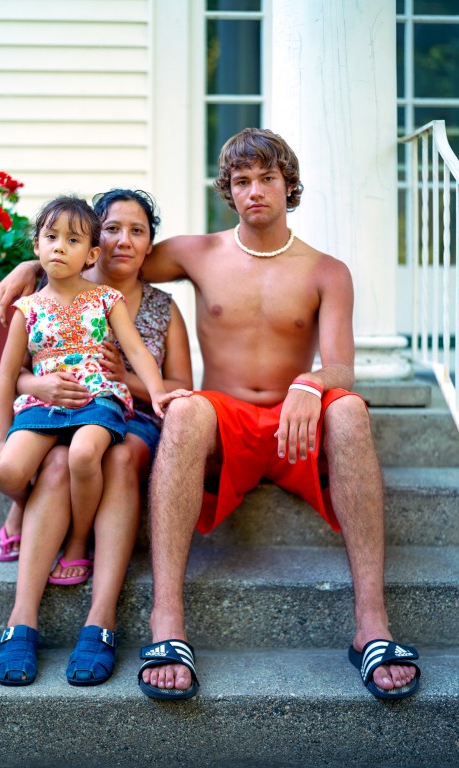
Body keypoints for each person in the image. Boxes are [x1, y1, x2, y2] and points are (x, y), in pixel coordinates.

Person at [132, 127, 420, 701]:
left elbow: (342, 367)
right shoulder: (198, 252)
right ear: (229, 191)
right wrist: (29, 272)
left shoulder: (325, 270)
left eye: (268, 178)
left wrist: (311, 384)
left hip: (296, 429)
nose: (255, 190)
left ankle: (372, 627)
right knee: (185, 413)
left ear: (289, 186)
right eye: (242, 181)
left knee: (352, 412)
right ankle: (166, 624)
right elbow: (112, 258)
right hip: (225, 421)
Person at [0, 189, 193, 686]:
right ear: (95, 240)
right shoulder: (45, 292)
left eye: (138, 231)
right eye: (113, 228)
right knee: (56, 465)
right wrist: (38, 384)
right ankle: (22, 620)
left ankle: (99, 620)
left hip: (127, 413)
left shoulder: (160, 308)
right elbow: (14, 374)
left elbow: (181, 388)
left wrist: (127, 381)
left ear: (149, 246)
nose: (124, 239)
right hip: (53, 408)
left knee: (116, 459)